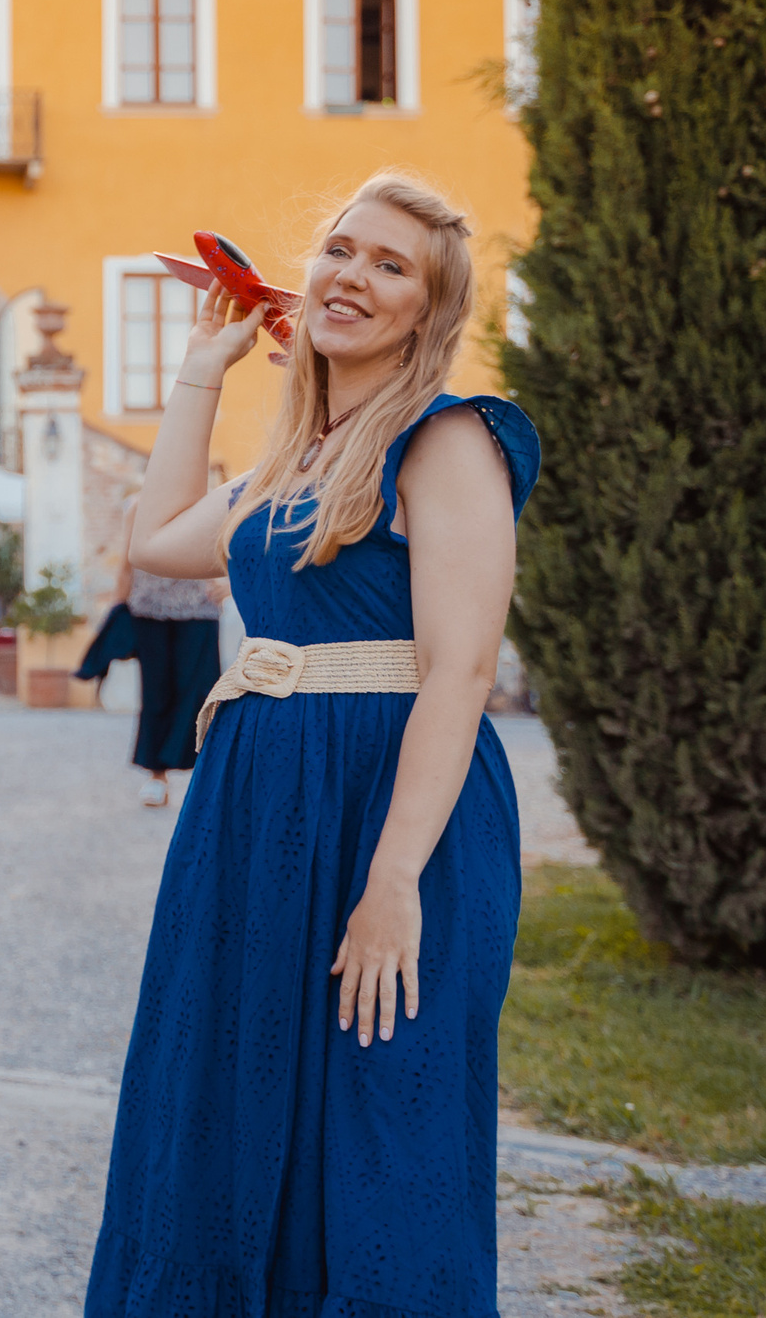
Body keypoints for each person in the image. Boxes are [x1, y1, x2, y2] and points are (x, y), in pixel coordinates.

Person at [84, 172, 540, 1317]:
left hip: (396, 811)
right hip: (256, 803)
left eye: (392, 266)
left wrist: (392, 881)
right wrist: (203, 365)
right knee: (227, 1094)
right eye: (342, 250)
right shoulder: (293, 460)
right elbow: (154, 544)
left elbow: (460, 673)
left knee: (383, 1117)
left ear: (427, 315)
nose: (352, 276)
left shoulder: (448, 443)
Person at [123, 556, 227, 807]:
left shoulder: (210, 513)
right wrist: (118, 607)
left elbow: (230, 539)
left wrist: (232, 582)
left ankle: (210, 778)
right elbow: (128, 557)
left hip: (200, 606)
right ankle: (157, 776)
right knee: (155, 695)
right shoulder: (137, 513)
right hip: (149, 607)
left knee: (204, 697)